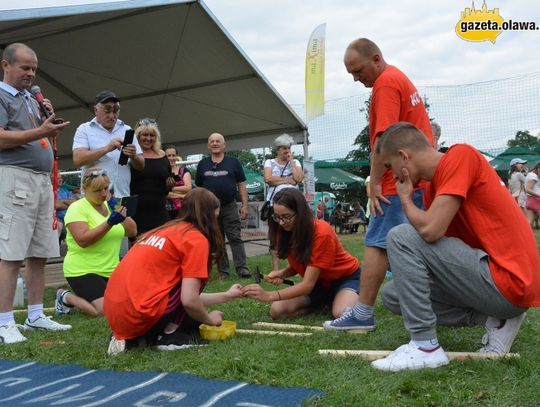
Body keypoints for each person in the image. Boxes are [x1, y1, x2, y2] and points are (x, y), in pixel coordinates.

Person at [369, 122, 539, 372]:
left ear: (404, 157)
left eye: (389, 167)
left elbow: (429, 230)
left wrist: (405, 200)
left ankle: (426, 347)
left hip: (509, 279)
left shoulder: (461, 156)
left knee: (400, 236)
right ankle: (495, 319)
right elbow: (436, 247)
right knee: (394, 295)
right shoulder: (432, 189)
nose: (392, 176)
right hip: (493, 283)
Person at [325, 38, 433, 332]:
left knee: (376, 243)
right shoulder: (398, 77)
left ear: (375, 59)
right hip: (412, 178)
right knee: (414, 242)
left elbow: (383, 141)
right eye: (350, 74)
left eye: (358, 71)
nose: (356, 79)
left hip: (396, 180)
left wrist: (373, 184)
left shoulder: (385, 84)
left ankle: (362, 313)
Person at [104, 188, 243, 354]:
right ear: (211, 214)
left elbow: (177, 296)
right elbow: (189, 300)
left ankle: (139, 337)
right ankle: (169, 335)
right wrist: (210, 319)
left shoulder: (166, 229)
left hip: (118, 314)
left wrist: (227, 295)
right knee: (192, 306)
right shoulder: (195, 239)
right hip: (139, 313)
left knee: (189, 307)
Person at [0, 42, 72, 344]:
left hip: (41, 180)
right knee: (11, 253)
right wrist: (41, 132)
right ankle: (4, 322)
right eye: (24, 67)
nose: (30, 74)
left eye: (33, 68)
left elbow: (40, 132)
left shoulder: (31, 98)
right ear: (6, 65)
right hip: (15, 178)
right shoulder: (2, 96)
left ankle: (35, 315)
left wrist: (47, 125)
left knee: (40, 251)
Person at [242, 188, 360, 320]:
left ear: (301, 213)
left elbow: (307, 285)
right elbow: (303, 262)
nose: (281, 222)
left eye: (286, 217)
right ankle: (323, 302)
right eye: (277, 217)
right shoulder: (284, 231)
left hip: (345, 279)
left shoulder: (322, 233)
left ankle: (340, 298)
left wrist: (269, 296)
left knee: (341, 313)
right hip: (319, 284)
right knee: (277, 311)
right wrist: (283, 273)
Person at [55, 168, 137, 317]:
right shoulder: (76, 208)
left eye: (106, 188)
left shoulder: (110, 204)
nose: (104, 194)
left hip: (111, 269)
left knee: (131, 304)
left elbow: (132, 231)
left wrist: (118, 208)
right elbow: (83, 240)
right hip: (83, 270)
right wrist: (110, 223)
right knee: (103, 310)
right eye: (98, 190)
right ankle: (65, 297)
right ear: (85, 189)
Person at [195, 132, 251, 279]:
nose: (215, 143)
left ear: (224, 145)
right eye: (212, 141)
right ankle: (223, 271)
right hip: (209, 209)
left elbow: (242, 185)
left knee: (235, 237)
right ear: (208, 145)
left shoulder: (233, 162)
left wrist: (245, 206)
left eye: (218, 141)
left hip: (229, 206)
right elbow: (199, 188)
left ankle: (242, 268)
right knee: (217, 240)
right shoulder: (202, 164)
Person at [72, 90, 144, 198]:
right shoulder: (84, 129)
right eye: (107, 110)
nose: (111, 115)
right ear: (96, 110)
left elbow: (141, 165)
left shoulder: (127, 129)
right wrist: (107, 148)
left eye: (115, 110)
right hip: (94, 198)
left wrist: (133, 156)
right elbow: (78, 159)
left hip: (121, 196)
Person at [264, 134, 304, 270]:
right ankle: (275, 269)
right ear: (277, 149)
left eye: (289, 148)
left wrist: (291, 161)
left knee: (294, 235)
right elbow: (268, 179)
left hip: (293, 205)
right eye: (284, 148)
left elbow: (298, 178)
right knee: (275, 236)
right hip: (274, 204)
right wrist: (288, 180)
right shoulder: (269, 162)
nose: (287, 151)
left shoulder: (296, 162)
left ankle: (293, 267)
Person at [130, 118, 172, 234]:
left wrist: (169, 185)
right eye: (145, 135)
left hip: (159, 211)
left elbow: (166, 187)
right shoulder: (132, 156)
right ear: (138, 136)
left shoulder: (162, 155)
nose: (148, 138)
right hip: (137, 212)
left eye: (152, 135)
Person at [165, 145, 192, 219]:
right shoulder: (162, 172)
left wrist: (170, 189)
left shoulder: (183, 170)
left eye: (173, 155)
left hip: (184, 209)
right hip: (167, 211)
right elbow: (163, 193)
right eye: (168, 156)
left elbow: (188, 188)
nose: (171, 158)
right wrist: (182, 195)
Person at [55, 177, 78, 243]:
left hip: (69, 217)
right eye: (58, 178)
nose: (61, 179)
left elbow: (74, 202)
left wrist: (62, 201)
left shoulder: (64, 190)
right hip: (57, 218)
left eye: (61, 178)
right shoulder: (50, 190)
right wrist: (68, 203)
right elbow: (57, 205)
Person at [524, 162, 540, 227]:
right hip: (536, 200)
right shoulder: (534, 177)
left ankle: (525, 236)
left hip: (529, 201)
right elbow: (528, 189)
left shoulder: (530, 174)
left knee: (529, 223)